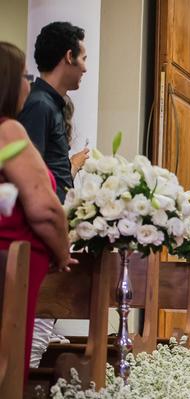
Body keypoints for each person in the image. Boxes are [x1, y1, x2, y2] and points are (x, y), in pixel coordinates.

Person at [0, 42, 74, 384]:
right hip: (12, 264)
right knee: (8, 359)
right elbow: (44, 208)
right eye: (24, 76)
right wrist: (63, 251)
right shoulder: (8, 131)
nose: (29, 84)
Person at [18, 21, 87, 367]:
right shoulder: (39, 105)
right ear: (68, 56)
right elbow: (31, 175)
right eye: (83, 57)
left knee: (42, 323)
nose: (86, 67)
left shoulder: (53, 103)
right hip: (37, 232)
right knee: (33, 326)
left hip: (54, 224)